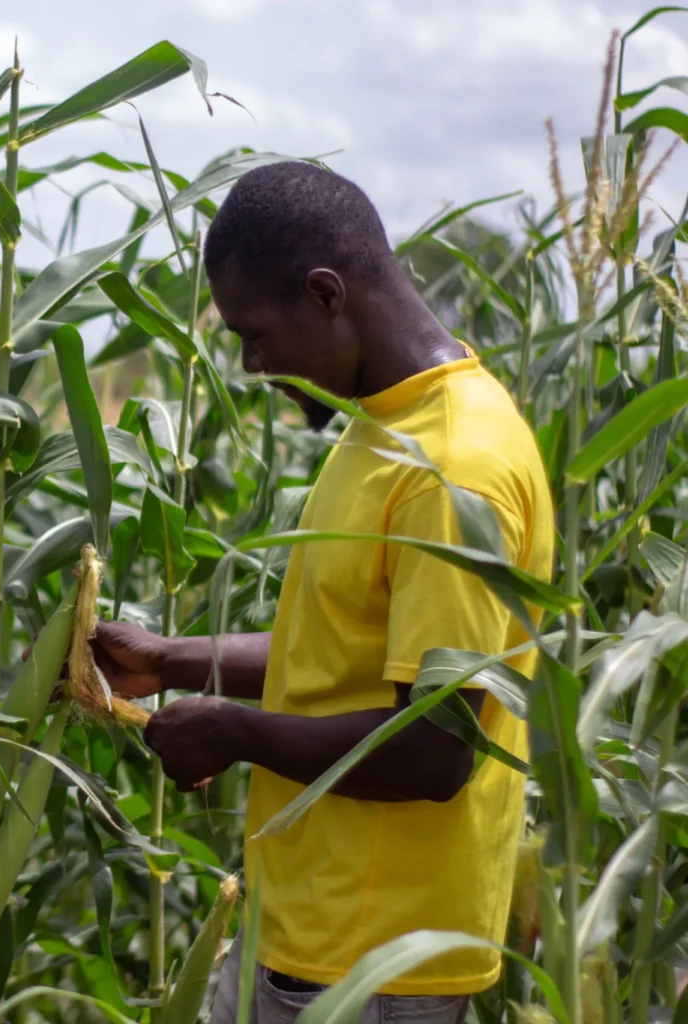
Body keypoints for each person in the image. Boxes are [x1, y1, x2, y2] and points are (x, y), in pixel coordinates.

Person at [90, 162, 553, 1024]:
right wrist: (169, 661)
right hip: (304, 930)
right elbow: (345, 658)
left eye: (255, 334)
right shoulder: (384, 427)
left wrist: (231, 733)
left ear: (326, 293)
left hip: (372, 964)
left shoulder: (456, 467)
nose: (250, 363)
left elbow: (439, 750)